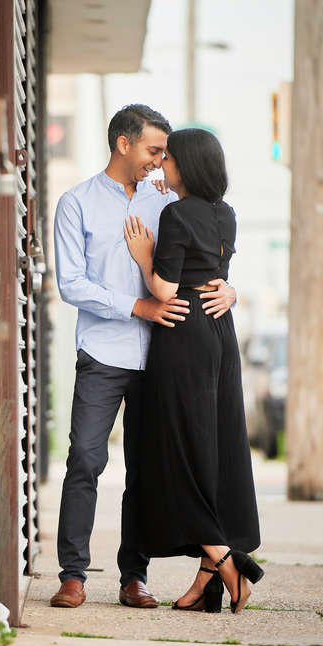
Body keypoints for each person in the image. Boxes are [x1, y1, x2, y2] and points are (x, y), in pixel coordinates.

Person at [50, 105, 237, 609]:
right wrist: (139, 306)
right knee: (86, 459)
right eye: (154, 151)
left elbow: (203, 259)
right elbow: (71, 284)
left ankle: (134, 576)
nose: (160, 162)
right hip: (104, 353)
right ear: (123, 144)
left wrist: (230, 290)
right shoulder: (77, 204)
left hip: (163, 356)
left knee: (146, 470)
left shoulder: (166, 203)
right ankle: (73, 575)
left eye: (165, 154)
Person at [123, 127, 263, 613]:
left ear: (187, 164)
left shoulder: (176, 213)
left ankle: (226, 561)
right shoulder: (226, 214)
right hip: (220, 334)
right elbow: (217, 275)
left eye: (170, 159)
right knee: (213, 447)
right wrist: (232, 290)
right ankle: (208, 579)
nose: (163, 165)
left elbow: (165, 290)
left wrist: (144, 258)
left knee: (178, 449)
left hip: (183, 336)